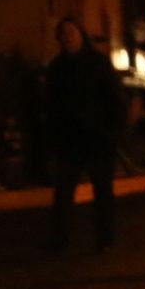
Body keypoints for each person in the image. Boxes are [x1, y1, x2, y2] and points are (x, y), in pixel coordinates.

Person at [42, 18, 123, 251]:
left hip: (98, 138)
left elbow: (115, 100)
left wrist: (112, 132)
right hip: (70, 140)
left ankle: (105, 240)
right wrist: (53, 138)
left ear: (81, 35)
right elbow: (51, 105)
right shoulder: (57, 68)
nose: (68, 37)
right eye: (64, 34)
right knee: (63, 193)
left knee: (103, 192)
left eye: (72, 32)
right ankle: (59, 240)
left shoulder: (98, 63)